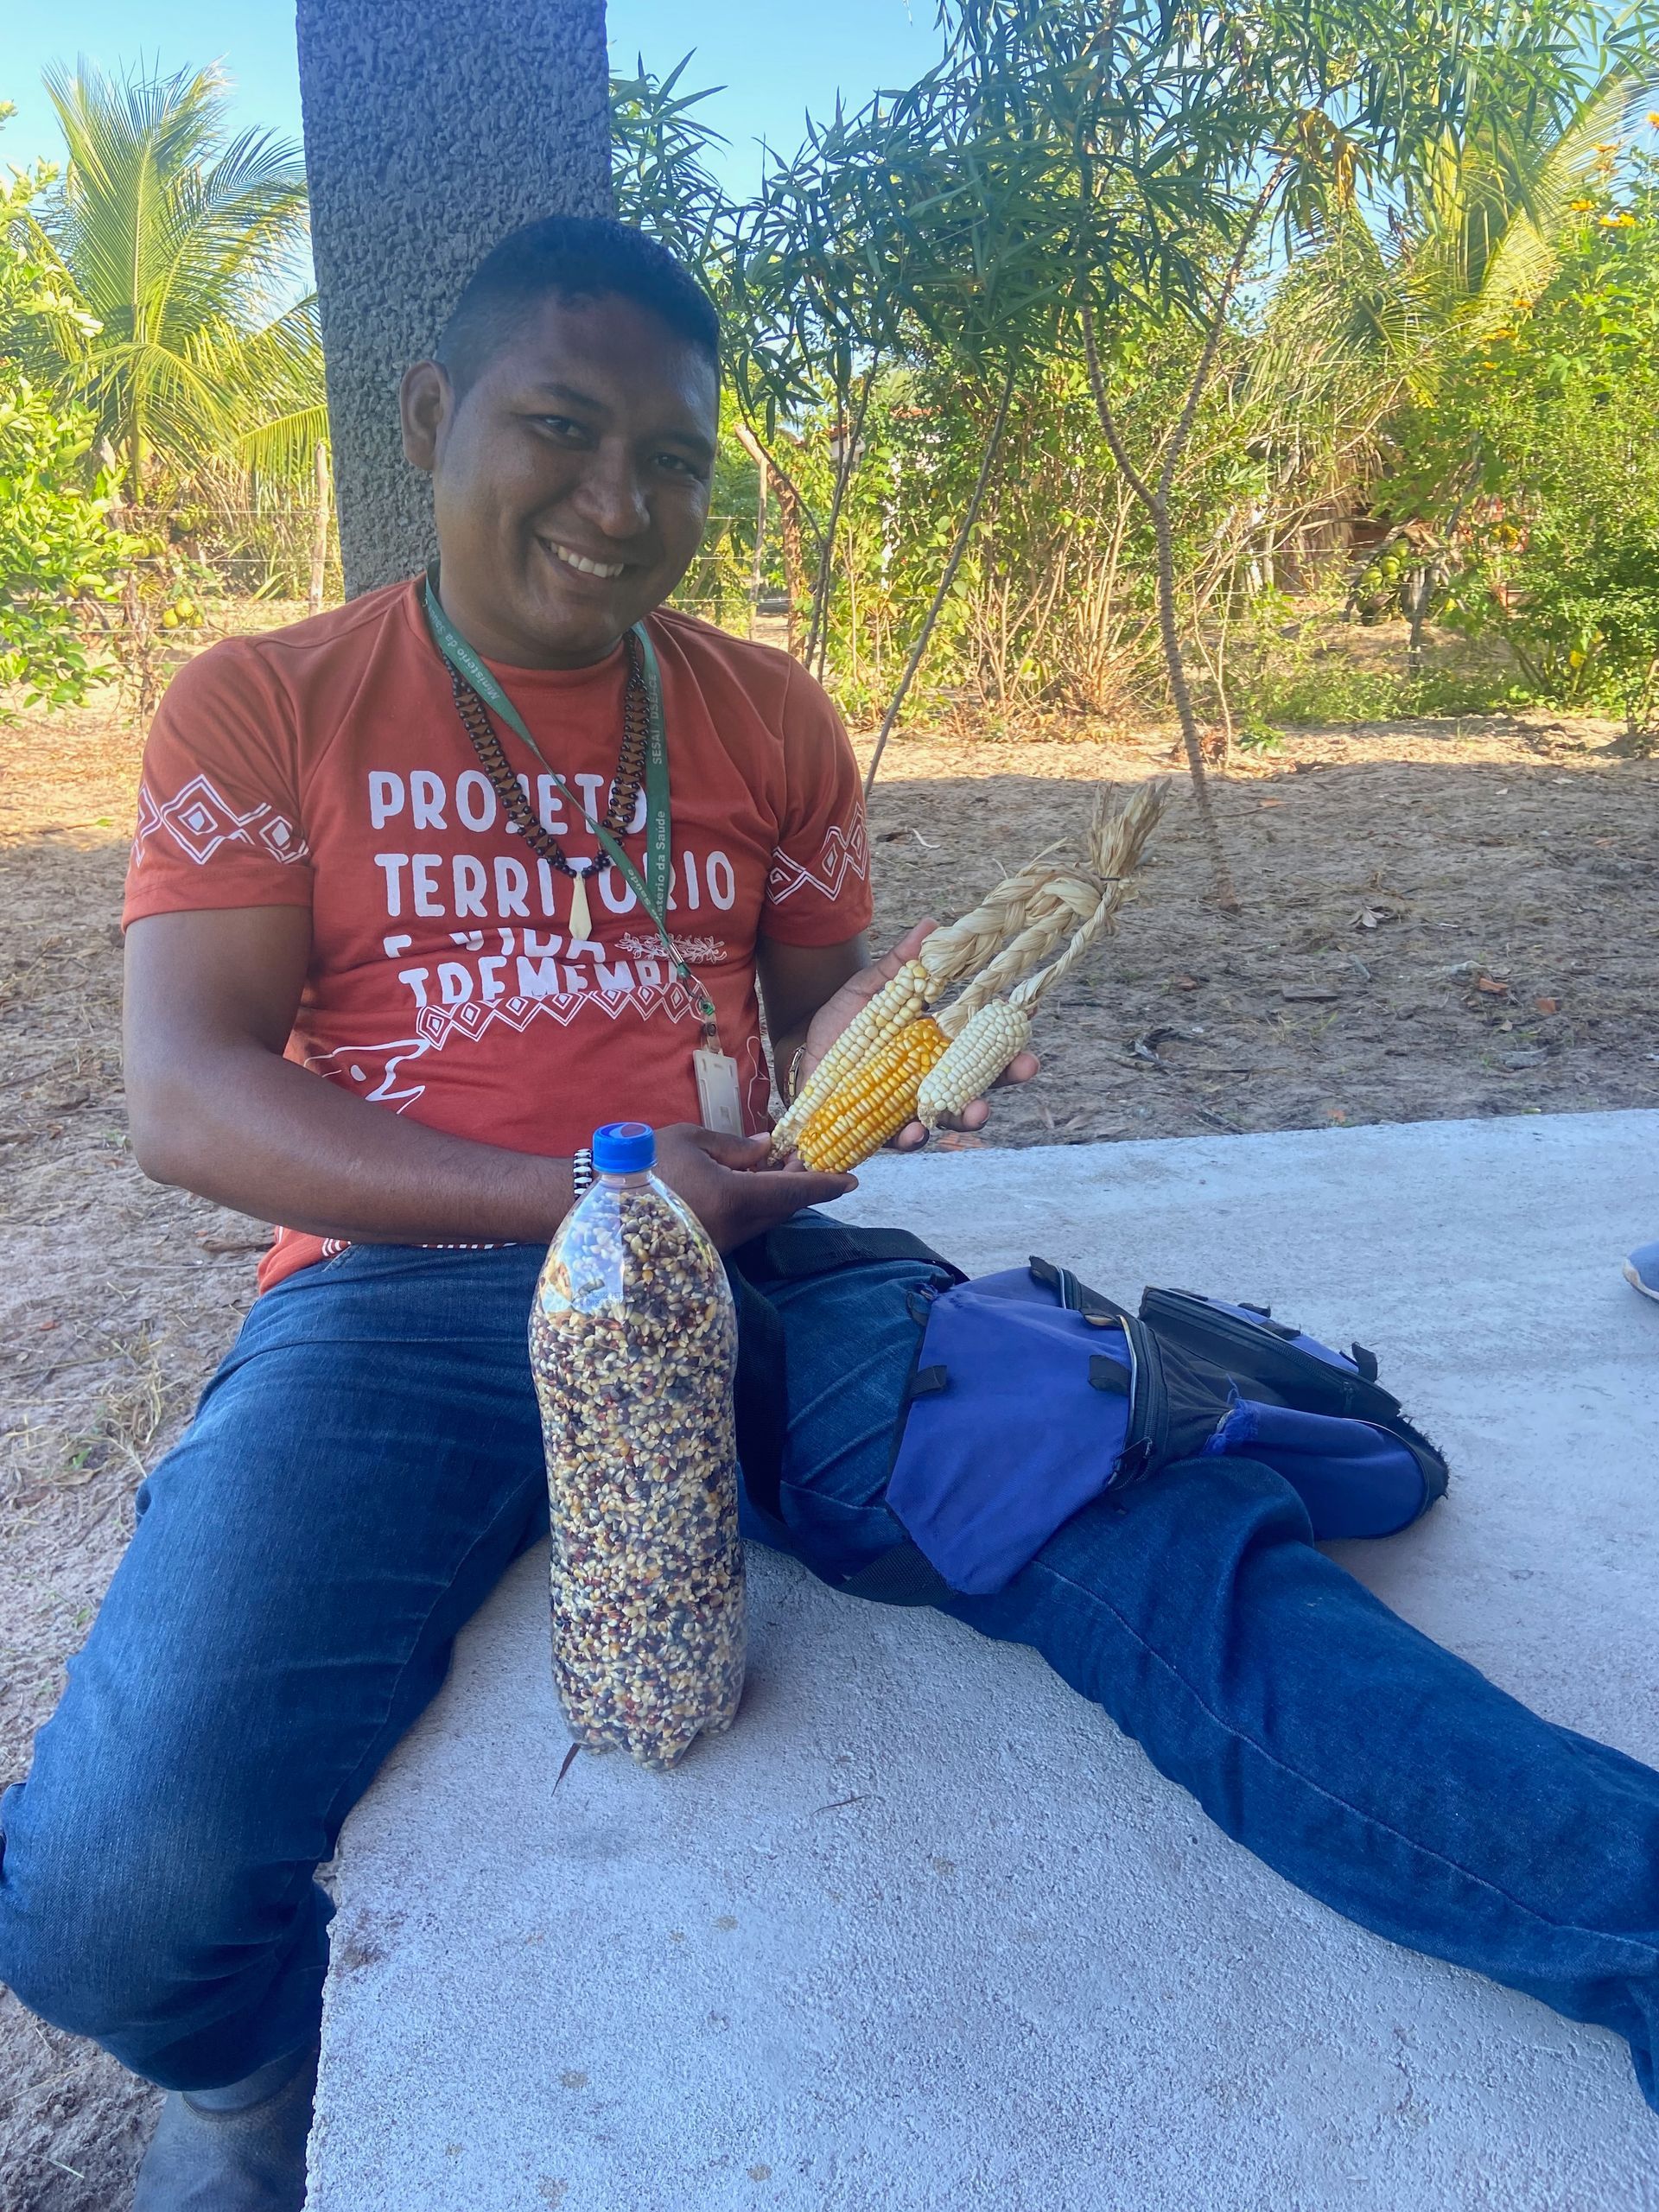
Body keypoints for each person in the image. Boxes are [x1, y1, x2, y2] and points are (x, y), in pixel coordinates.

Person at [0, 217, 1655, 2211]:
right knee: (111, 1890)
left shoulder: (765, 713)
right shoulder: (264, 705)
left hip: (769, 1262)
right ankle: (248, 2068)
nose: (624, 505)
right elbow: (192, 1094)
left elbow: (808, 1005)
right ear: (432, 415)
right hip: (407, 1288)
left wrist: (906, 1028)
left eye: (678, 458)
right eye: (562, 426)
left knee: (1149, 1538)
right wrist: (590, 1204)